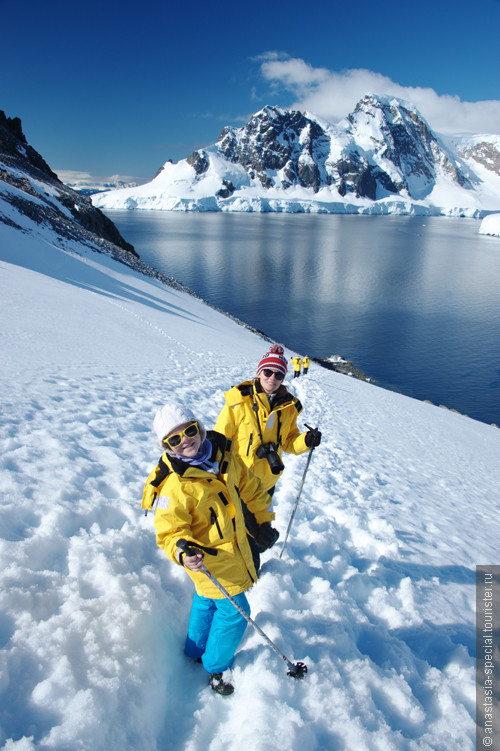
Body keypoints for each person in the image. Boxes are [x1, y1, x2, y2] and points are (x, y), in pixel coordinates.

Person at [150, 402, 279, 695]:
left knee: (207, 599)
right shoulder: (175, 485)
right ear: (166, 446)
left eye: (190, 430)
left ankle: (194, 650)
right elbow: (169, 530)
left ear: (199, 427)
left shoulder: (224, 457)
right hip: (207, 560)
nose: (186, 441)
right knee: (236, 611)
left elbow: (251, 488)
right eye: (174, 439)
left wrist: (262, 522)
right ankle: (215, 667)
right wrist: (181, 551)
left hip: (228, 555)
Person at [214, 345, 321, 499]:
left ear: (283, 378)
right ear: (259, 373)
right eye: (268, 372)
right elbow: (220, 439)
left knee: (261, 522)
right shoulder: (239, 400)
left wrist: (306, 440)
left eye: (278, 375)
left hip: (266, 484)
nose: (272, 378)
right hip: (237, 481)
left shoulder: (288, 408)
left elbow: (289, 442)